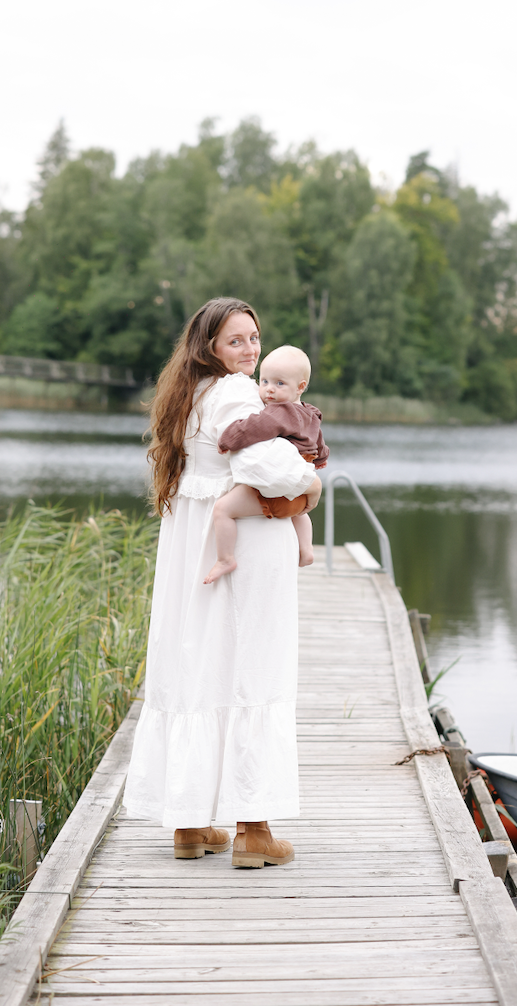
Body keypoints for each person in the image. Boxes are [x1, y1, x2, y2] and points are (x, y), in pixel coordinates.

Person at [122, 298, 322, 868]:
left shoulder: (192, 394)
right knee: (251, 666)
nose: (250, 350)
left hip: (195, 545)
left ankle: (189, 824)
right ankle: (254, 829)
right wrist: (310, 486)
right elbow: (268, 468)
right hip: (249, 547)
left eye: (254, 338)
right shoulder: (238, 394)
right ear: (210, 345)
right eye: (237, 341)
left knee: (200, 664)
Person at [203, 345, 329, 585]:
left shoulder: (279, 412)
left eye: (280, 384)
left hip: (279, 494)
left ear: (300, 387)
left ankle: (225, 558)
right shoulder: (311, 414)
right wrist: (320, 461)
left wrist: (227, 440)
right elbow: (320, 445)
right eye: (264, 381)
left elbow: (253, 428)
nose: (269, 389)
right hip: (300, 495)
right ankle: (306, 550)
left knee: (223, 510)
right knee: (301, 513)